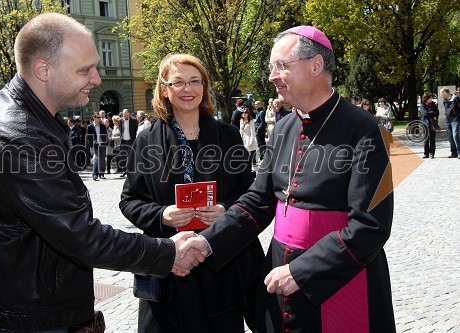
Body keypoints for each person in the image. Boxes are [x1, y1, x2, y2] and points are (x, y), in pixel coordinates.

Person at [0, 13, 204, 333]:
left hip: (24, 306)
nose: (97, 78)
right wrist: (166, 252)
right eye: (85, 69)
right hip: (24, 318)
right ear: (43, 70)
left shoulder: (26, 116)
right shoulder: (18, 135)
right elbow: (79, 235)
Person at [181, 25, 396, 332]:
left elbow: (372, 226)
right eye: (271, 68)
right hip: (280, 266)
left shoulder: (365, 130)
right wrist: (207, 241)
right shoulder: (282, 128)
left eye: (281, 66)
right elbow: (258, 200)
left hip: (340, 274)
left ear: (316, 66)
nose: (272, 76)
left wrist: (303, 271)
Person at [119, 53, 264, 333]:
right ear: (164, 89)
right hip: (171, 264)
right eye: (178, 82)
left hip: (221, 265)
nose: (188, 89)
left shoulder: (228, 136)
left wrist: (224, 210)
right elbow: (129, 200)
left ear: (204, 87)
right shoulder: (147, 140)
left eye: (195, 81)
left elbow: (251, 192)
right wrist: (162, 214)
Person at [440, 87, 460, 158]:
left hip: (455, 120)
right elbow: (446, 111)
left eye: (441, 93)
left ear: (445, 92)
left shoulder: (456, 99)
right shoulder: (445, 101)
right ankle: (454, 153)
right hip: (448, 121)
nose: (440, 95)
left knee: (455, 135)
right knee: (450, 137)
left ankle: (459, 152)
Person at [86, 112, 108, 180]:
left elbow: (105, 135)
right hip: (95, 145)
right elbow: (88, 137)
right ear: (94, 118)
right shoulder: (90, 126)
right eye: (98, 117)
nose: (99, 119)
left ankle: (101, 174)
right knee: (96, 159)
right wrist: (91, 145)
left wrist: (106, 142)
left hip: (102, 144)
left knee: (103, 160)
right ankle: (95, 174)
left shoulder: (102, 126)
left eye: (100, 118)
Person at [419, 92, 440, 159]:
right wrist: (432, 113)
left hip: (432, 124)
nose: (431, 99)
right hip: (425, 123)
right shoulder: (422, 105)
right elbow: (425, 113)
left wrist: (431, 113)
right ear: (426, 98)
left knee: (432, 140)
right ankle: (426, 153)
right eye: (430, 97)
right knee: (426, 140)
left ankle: (432, 153)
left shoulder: (433, 104)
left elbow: (437, 112)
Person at [118, 108, 138, 177]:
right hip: (123, 141)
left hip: (131, 140)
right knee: (122, 157)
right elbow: (120, 130)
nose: (126, 116)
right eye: (124, 115)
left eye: (127, 115)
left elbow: (136, 130)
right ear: (122, 115)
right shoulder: (120, 121)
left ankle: (130, 171)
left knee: (131, 156)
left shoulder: (134, 120)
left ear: (129, 114)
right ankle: (124, 171)